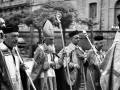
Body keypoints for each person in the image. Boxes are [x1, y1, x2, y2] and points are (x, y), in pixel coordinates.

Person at [30, 15, 64, 90]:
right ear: (45, 39)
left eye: (53, 39)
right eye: (51, 39)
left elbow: (57, 65)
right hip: (43, 76)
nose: (52, 41)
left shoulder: (52, 50)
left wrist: (63, 57)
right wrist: (49, 64)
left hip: (52, 75)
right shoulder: (40, 49)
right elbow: (36, 65)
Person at [0, 25, 28, 90]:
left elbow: (17, 69)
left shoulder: (16, 50)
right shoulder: (0, 50)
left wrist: (21, 68)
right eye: (13, 36)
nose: (16, 39)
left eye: (17, 36)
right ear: (5, 36)